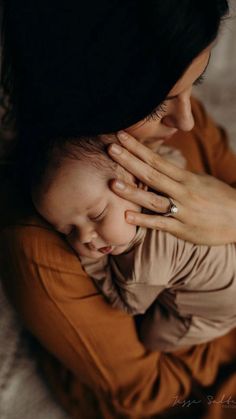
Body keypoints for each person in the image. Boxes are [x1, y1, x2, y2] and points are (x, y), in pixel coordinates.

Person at [1, 1, 236, 418]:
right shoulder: (40, 246)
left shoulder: (170, 127)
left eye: (194, 85)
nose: (186, 120)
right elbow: (148, 394)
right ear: (93, 95)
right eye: (158, 103)